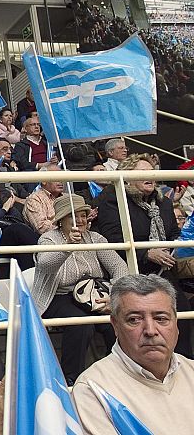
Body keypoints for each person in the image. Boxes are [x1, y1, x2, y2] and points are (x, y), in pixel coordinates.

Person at [95, 153, 193, 355]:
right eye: (143, 172)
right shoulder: (111, 199)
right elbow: (111, 239)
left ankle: (180, 363)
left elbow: (173, 233)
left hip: (162, 270)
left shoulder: (163, 202)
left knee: (180, 315)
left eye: (152, 172)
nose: (151, 176)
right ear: (127, 175)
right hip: (127, 271)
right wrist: (147, 253)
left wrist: (172, 247)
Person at [72, 274, 194, 434]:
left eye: (161, 318)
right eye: (134, 320)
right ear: (115, 326)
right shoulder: (94, 389)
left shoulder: (191, 372)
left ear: (176, 324)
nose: (150, 330)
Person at [33, 194, 127, 383]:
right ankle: (71, 381)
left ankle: (117, 377)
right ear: (61, 220)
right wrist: (68, 247)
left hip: (91, 294)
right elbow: (45, 264)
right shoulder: (48, 239)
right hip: (57, 296)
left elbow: (119, 267)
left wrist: (114, 296)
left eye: (83, 215)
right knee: (81, 324)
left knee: (115, 321)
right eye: (74, 216)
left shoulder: (95, 238)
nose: (81, 220)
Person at [23, 165, 64, 234]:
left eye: (62, 177)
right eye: (56, 177)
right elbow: (41, 227)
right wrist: (66, 229)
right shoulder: (35, 199)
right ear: (44, 181)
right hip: (50, 241)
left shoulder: (67, 197)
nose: (60, 181)